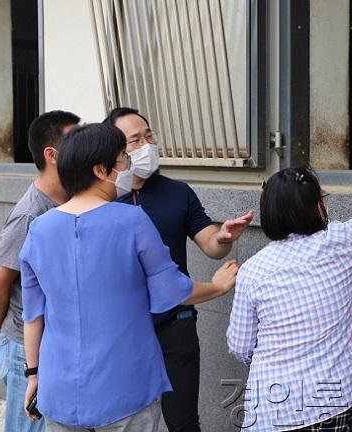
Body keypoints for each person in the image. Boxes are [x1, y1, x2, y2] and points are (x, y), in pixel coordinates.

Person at [19, 123, 239, 431]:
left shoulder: (39, 229)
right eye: (122, 158)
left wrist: (33, 375)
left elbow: (33, 316)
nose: (127, 165)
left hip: (58, 387)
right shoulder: (132, 220)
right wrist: (217, 286)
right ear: (101, 169)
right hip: (124, 385)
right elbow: (172, 291)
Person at [226, 118, 352, 431]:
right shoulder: (339, 243)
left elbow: (240, 344)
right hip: (329, 406)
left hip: (270, 411)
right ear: (317, 208)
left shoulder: (253, 270)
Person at [103, 107, 253, 432]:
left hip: (176, 322)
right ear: (115, 151)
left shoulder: (177, 191)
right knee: (125, 421)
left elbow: (211, 244)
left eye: (149, 135)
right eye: (135, 140)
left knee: (183, 421)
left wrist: (224, 236)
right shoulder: (102, 198)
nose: (147, 144)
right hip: (121, 330)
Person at [0, 110, 80, 432]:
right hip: (27, 346)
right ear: (51, 155)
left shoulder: (73, 201)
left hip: (56, 340)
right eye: (74, 140)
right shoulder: (30, 215)